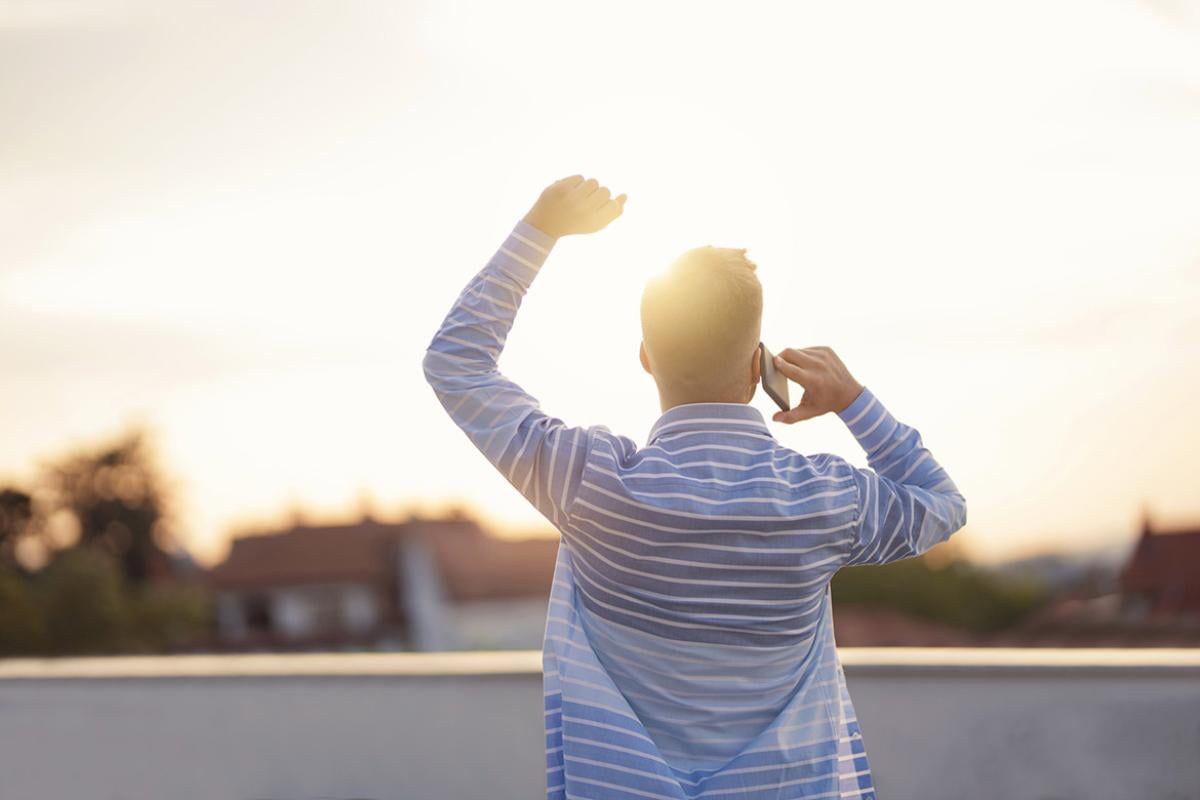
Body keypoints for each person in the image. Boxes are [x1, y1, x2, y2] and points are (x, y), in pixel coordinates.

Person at [422, 174, 967, 799]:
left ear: (647, 357)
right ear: (760, 364)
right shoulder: (823, 500)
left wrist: (539, 230)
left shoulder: (590, 483)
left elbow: (454, 363)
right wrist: (853, 402)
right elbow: (943, 504)